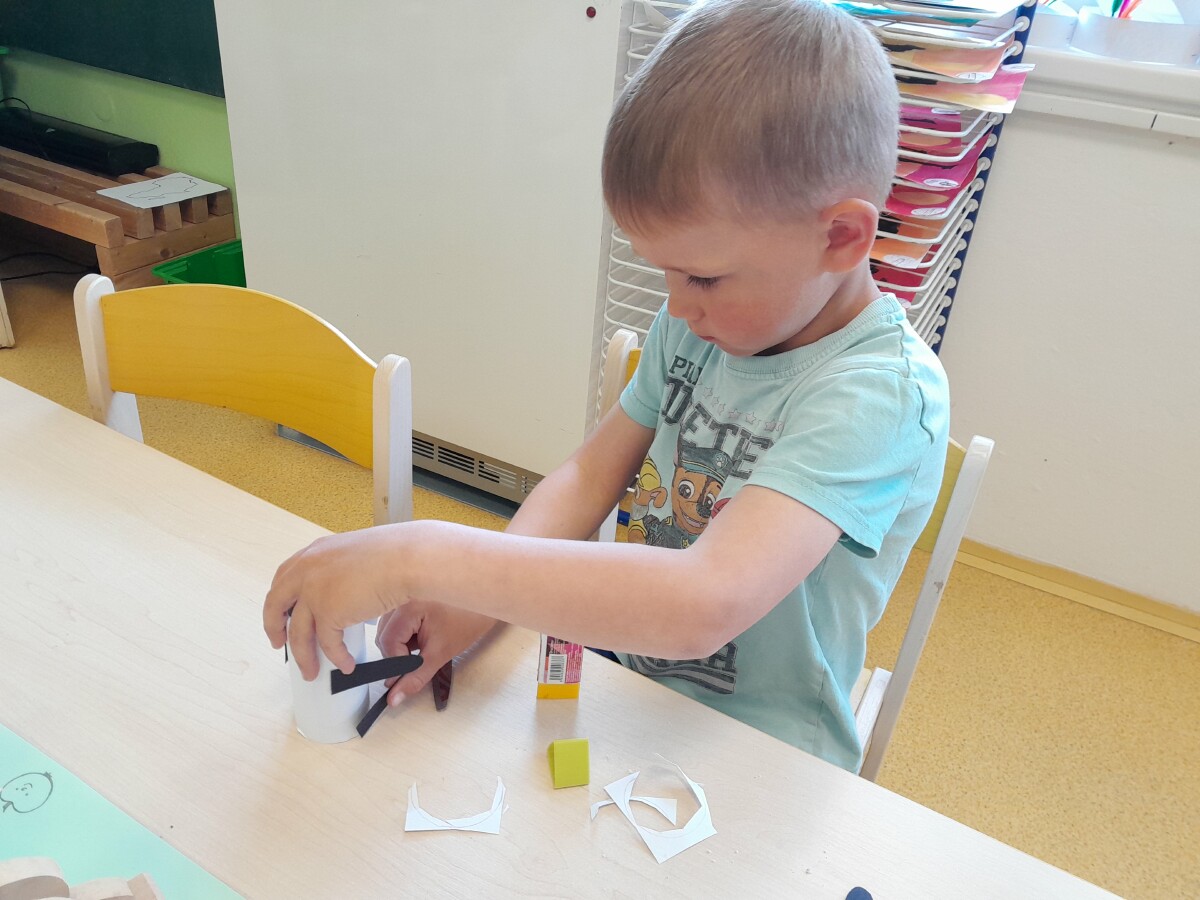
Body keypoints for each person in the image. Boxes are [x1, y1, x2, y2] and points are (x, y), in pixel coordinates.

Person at [263, 0, 949, 772]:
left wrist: (418, 556)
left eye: (703, 277)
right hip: (625, 695)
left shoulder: (881, 397)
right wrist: (477, 601)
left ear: (841, 237)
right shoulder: (701, 326)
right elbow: (591, 477)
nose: (678, 307)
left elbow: (705, 602)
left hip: (763, 752)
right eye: (665, 273)